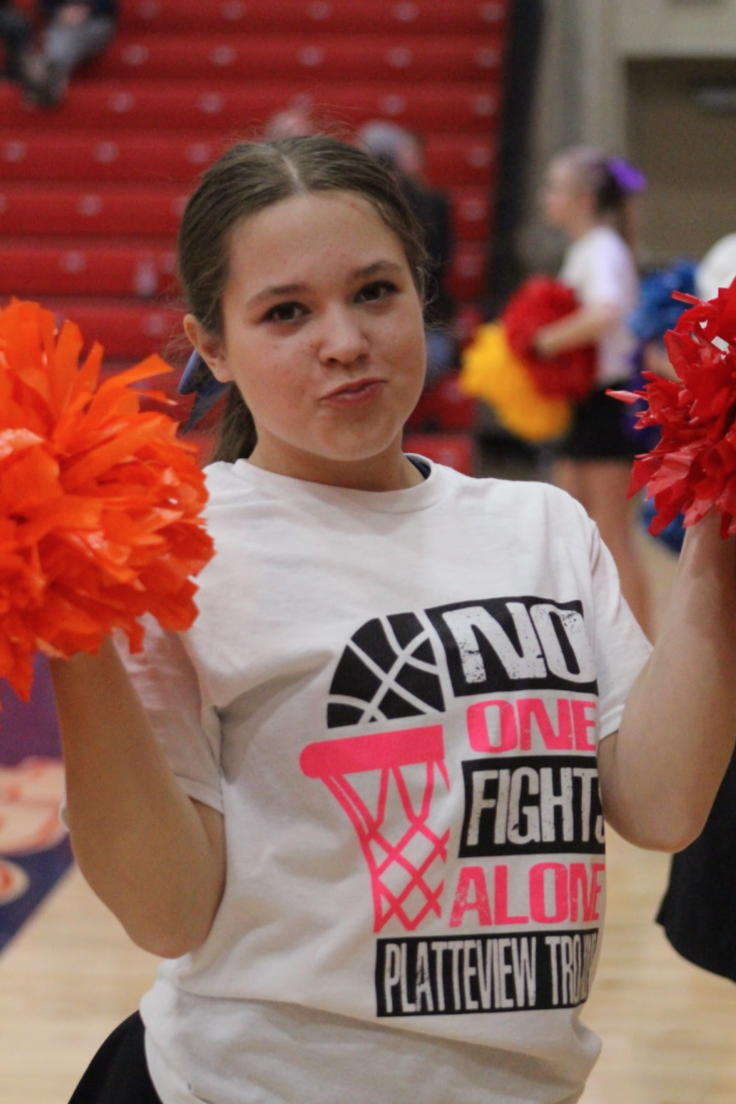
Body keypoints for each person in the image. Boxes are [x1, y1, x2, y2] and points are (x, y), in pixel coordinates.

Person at [49, 135, 736, 1104]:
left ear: (423, 296)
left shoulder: (538, 524)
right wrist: (67, 627)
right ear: (213, 346)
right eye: (286, 312)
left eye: (375, 291)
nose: (344, 339)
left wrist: (718, 498)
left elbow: (660, 806)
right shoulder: (182, 545)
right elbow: (167, 909)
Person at [535, 146, 650, 634]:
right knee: (575, 526)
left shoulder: (603, 248)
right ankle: (593, 636)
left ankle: (643, 645)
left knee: (610, 532)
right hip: (585, 403)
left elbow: (608, 313)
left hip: (610, 401)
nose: (547, 199)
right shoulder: (588, 247)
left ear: (583, 198)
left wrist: (544, 341)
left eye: (555, 189)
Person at [358, 120, 457, 384]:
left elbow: (435, 265)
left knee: (406, 368)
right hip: (360, 326)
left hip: (425, 325)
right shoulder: (349, 206)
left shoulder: (431, 204)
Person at [24, 0, 118, 106]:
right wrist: (61, 12)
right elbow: (44, 5)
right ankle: (49, 83)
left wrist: (85, 12)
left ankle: (49, 83)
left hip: (95, 22)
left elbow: (108, 6)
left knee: (62, 44)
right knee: (60, 41)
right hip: (61, 22)